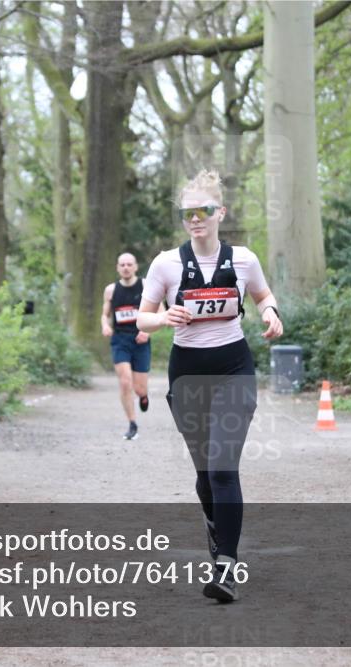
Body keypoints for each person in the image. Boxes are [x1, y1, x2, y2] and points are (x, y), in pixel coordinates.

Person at [136, 170, 283, 603]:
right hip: (187, 373)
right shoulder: (165, 264)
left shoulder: (244, 260)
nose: (196, 219)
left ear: (221, 213)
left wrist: (271, 313)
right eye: (188, 213)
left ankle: (226, 568)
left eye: (204, 210)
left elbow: (263, 295)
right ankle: (217, 529)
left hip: (233, 367)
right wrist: (163, 318)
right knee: (205, 475)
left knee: (222, 468)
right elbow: (142, 317)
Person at [101, 253, 153, 441]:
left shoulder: (146, 285)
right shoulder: (111, 290)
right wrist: (105, 325)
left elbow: (159, 311)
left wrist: (147, 331)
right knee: (125, 382)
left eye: (129, 264)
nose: (126, 267)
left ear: (135, 267)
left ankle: (144, 396)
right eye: (122, 264)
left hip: (140, 340)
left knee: (139, 389)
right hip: (120, 340)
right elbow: (105, 315)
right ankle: (132, 424)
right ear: (117, 267)